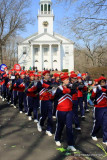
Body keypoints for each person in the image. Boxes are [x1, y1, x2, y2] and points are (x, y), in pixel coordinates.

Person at [54, 74, 76, 151]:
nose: (68, 81)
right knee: (60, 125)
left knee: (69, 127)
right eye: (66, 80)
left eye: (68, 79)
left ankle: (70, 144)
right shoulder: (59, 88)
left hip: (69, 110)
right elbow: (56, 95)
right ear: (63, 80)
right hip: (60, 110)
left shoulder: (71, 87)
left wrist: (68, 90)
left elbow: (74, 91)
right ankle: (57, 139)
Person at [91, 76, 107, 145]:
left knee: (106, 123)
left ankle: (105, 139)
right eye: (102, 81)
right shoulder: (96, 88)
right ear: (100, 82)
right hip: (98, 107)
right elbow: (92, 98)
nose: (103, 82)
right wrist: (94, 91)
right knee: (98, 123)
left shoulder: (106, 88)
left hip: (106, 107)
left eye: (104, 81)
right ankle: (94, 134)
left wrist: (103, 89)